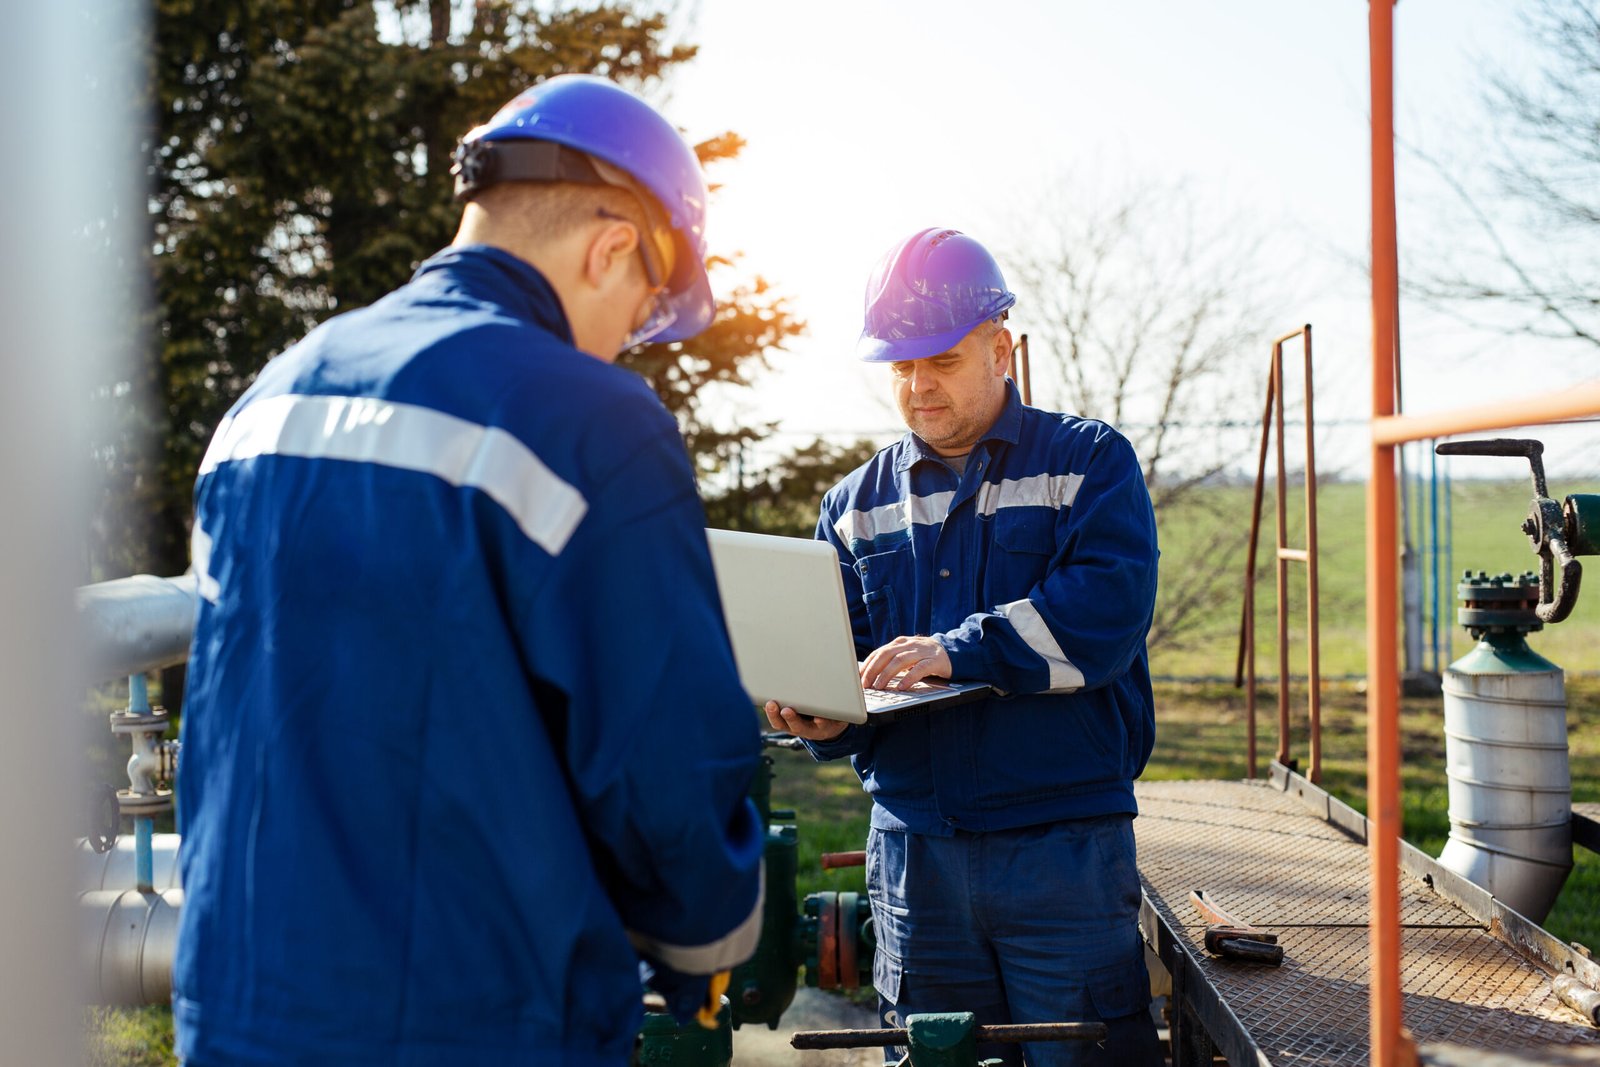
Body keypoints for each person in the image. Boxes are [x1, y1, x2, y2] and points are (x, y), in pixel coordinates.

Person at [174, 75, 765, 1066]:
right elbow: (666, 774)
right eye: (645, 303)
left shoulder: (267, 400)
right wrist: (709, 946)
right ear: (612, 243)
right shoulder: (593, 424)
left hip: (236, 1011)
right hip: (473, 1021)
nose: (631, 336)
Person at [764, 228, 1163, 1066]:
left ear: (1001, 348)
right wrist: (822, 718)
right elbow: (853, 665)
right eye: (901, 368)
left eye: (939, 360)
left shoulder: (1087, 462)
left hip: (1062, 855)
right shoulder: (852, 506)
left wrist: (960, 649)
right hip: (914, 864)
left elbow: (1106, 614)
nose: (918, 386)